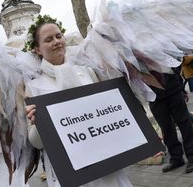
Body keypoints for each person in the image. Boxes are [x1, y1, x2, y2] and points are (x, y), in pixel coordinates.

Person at [25, 15, 132, 187]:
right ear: (38, 49)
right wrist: (38, 123)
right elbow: (36, 143)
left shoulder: (86, 71)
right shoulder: (34, 86)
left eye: (59, 36)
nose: (57, 41)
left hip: (103, 158)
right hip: (70, 167)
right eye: (49, 39)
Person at [149, 68, 193, 174]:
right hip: (153, 96)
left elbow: (174, 63)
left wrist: (181, 88)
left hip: (172, 89)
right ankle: (176, 159)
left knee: (184, 124)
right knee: (166, 128)